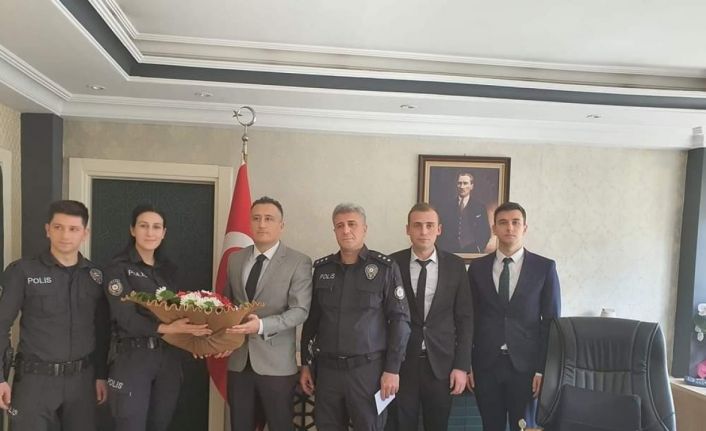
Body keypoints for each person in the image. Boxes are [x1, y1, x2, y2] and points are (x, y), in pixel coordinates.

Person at [300, 203, 410, 431]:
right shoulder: (322, 269)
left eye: (352, 224)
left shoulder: (385, 268)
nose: (346, 230)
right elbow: (312, 321)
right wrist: (306, 364)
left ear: (365, 229)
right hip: (328, 371)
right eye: (340, 225)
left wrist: (392, 369)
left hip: (367, 372)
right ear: (334, 231)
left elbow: (400, 321)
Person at [0, 200, 109, 431]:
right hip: (35, 381)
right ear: (47, 229)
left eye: (73, 229)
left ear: (85, 233)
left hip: (82, 382)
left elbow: (102, 329)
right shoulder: (22, 271)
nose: (65, 235)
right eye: (58, 227)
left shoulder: (95, 277)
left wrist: (101, 374)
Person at [103, 203, 212, 431]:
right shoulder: (118, 268)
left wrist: (196, 338)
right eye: (143, 226)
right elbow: (125, 318)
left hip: (168, 359)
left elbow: (181, 312)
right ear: (132, 230)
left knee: (160, 425)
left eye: (156, 227)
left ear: (164, 233)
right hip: (133, 358)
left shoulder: (169, 270)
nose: (150, 232)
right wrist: (168, 329)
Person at [466, 202, 561, 431]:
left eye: (515, 222)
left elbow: (551, 323)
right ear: (494, 228)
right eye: (503, 222)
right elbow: (469, 319)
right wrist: (467, 363)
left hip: (526, 368)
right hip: (486, 366)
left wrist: (543, 370)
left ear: (524, 227)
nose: (509, 227)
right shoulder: (477, 268)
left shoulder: (544, 268)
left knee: (524, 428)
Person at [223, 196, 313, 431]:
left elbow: (300, 311)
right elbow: (226, 305)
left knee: (280, 425)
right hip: (239, 361)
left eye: (269, 219)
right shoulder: (235, 259)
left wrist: (261, 325)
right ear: (249, 223)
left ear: (281, 225)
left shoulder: (298, 261)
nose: (262, 224)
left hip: (277, 365)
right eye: (256, 218)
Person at [386, 202, 473, 431]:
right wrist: (387, 366)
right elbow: (383, 317)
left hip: (442, 366)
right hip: (402, 363)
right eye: (417, 225)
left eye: (429, 225)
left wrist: (462, 366)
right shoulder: (391, 264)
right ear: (408, 229)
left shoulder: (455, 265)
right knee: (401, 425)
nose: (423, 231)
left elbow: (465, 319)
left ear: (439, 229)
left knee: (437, 425)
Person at [438, 171, 491, 253]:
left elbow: (486, 231)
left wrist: (479, 248)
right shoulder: (446, 206)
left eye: (465, 183)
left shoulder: (480, 207)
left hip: (472, 250)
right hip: (450, 251)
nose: (462, 186)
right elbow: (440, 230)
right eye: (459, 183)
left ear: (471, 186)